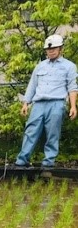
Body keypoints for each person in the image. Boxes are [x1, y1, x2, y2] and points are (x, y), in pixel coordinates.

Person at [15, 34, 77, 168]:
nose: (51, 51)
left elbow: (72, 87)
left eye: (54, 48)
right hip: (38, 103)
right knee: (31, 130)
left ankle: (48, 162)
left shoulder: (69, 66)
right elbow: (32, 85)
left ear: (61, 49)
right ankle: (22, 160)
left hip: (57, 103)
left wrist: (73, 106)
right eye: (48, 49)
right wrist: (26, 103)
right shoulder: (40, 66)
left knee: (53, 133)